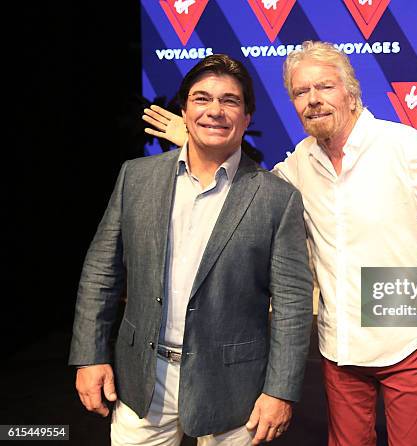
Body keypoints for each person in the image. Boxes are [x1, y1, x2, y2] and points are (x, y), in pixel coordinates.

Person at [142, 41, 417, 446]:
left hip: (407, 336)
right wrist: (198, 141)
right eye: (300, 91)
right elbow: (250, 189)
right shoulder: (299, 163)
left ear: (351, 93)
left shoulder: (399, 144)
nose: (313, 99)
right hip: (340, 344)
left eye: (324, 87)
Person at [70, 54, 313, 446]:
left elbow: (293, 304)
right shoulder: (137, 177)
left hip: (236, 392)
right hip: (142, 381)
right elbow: (101, 271)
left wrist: (280, 391)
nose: (214, 111)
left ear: (247, 116)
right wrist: (90, 355)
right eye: (202, 99)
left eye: (230, 101)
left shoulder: (276, 198)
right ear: (184, 110)